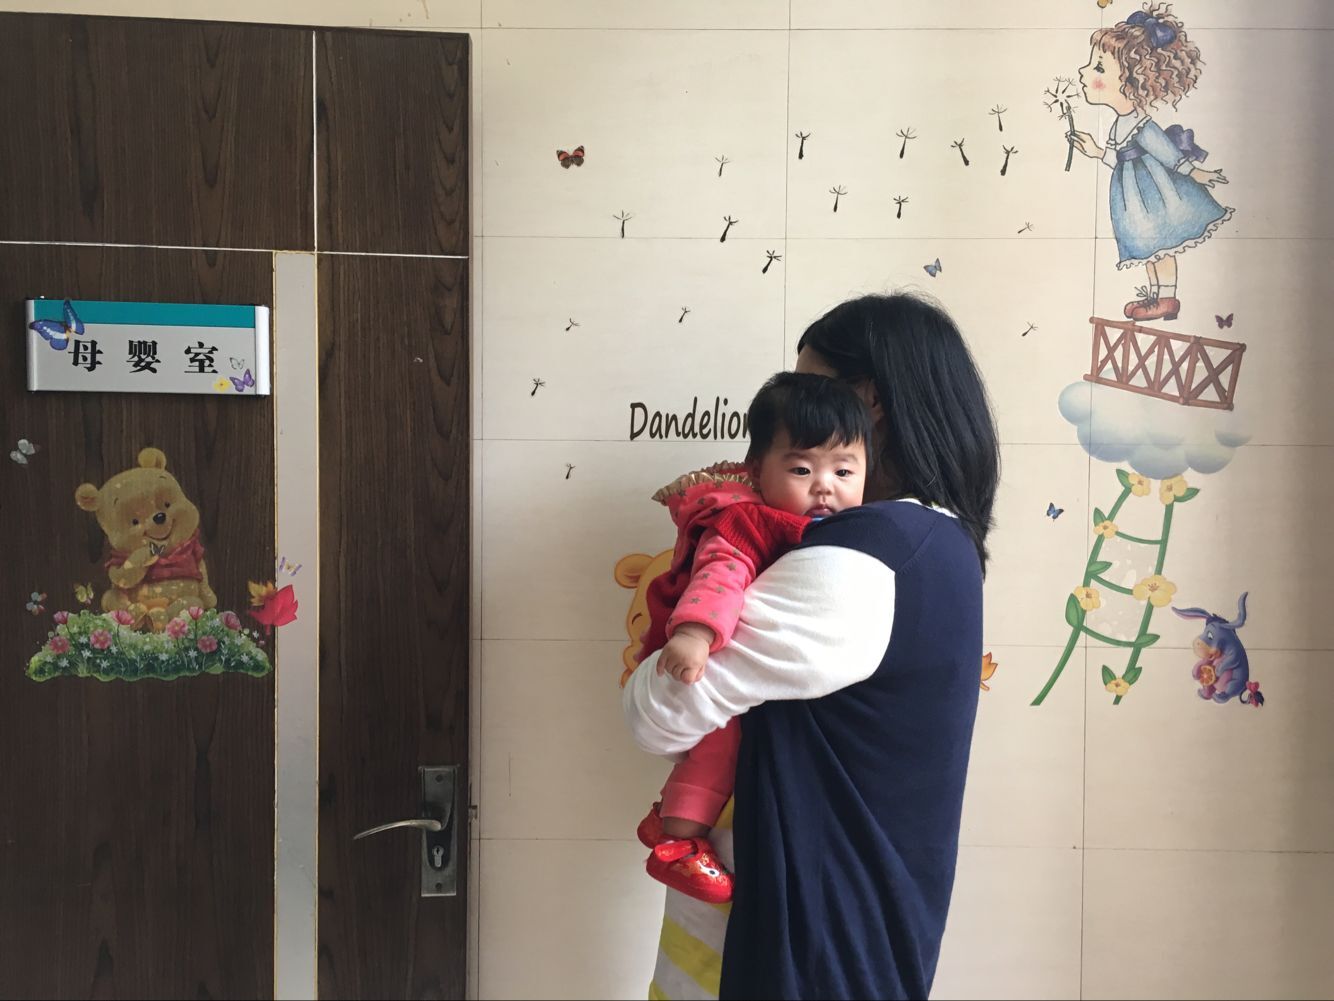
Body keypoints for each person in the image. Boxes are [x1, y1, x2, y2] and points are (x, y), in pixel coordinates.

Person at [623, 292, 1001, 1000]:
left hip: (797, 951)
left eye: (811, 388)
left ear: (869, 402)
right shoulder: (936, 543)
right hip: (848, 938)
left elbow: (657, 714)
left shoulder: (866, 556)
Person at [632, 372, 872, 904]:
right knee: (721, 740)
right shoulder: (748, 522)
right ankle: (678, 842)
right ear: (758, 469)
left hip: (715, 652)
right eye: (802, 469)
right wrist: (695, 634)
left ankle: (666, 815)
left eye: (843, 470)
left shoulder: (838, 531)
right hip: (692, 647)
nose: (824, 486)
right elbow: (720, 574)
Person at [1068, 2, 1231, 322]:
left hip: (1156, 197)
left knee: (1162, 244)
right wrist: (1096, 151)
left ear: (1130, 81)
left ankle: (1166, 298)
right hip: (1135, 199)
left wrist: (1195, 172)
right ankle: (1156, 296)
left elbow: (1168, 154)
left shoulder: (1141, 124)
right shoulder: (1120, 124)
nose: (1083, 73)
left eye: (1098, 68)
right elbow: (1119, 159)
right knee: (1151, 247)